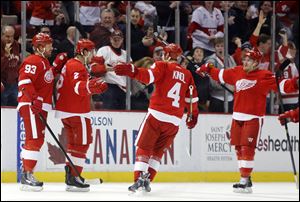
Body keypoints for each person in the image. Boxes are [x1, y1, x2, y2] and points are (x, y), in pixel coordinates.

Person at [196, 50, 298, 193]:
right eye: (244, 59)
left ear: (256, 63)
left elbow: (283, 86)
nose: (245, 62)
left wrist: (295, 82)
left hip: (253, 118)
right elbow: (221, 75)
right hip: (237, 116)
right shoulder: (237, 71)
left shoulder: (264, 76)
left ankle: (243, 180)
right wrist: (208, 68)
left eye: (249, 60)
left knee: (247, 148)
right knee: (238, 148)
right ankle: (246, 178)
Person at [114, 43, 199, 192]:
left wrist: (132, 70)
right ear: (178, 58)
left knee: (144, 146)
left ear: (166, 55)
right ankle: (148, 180)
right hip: (174, 121)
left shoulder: (162, 66)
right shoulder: (187, 74)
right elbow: (192, 99)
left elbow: (147, 77)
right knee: (158, 151)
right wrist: (193, 115)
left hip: (157, 115)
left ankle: (139, 178)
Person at [55, 39, 108, 192]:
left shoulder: (72, 64)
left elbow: (76, 84)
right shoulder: (76, 66)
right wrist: (93, 86)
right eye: (90, 51)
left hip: (67, 110)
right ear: (84, 52)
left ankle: (71, 175)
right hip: (76, 110)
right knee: (83, 142)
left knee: (74, 143)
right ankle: (74, 176)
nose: (92, 55)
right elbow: (79, 88)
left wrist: (91, 82)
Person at [17, 33, 68, 191]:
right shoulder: (32, 60)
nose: (51, 47)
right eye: (47, 44)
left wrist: (55, 67)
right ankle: (27, 175)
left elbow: (44, 80)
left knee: (37, 140)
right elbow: (24, 81)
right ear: (39, 47)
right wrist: (34, 99)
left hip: (39, 105)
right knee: (34, 139)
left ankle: (27, 174)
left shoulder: (43, 62)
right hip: (31, 104)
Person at [95, 30, 129, 110]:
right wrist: (110, 68)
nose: (116, 41)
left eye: (118, 39)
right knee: (109, 110)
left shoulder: (126, 54)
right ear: (110, 39)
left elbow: (130, 72)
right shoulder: (104, 50)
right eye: (114, 39)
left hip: (123, 88)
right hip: (108, 86)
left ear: (122, 40)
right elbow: (95, 68)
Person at [1, 25, 21, 106]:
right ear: (2, 35)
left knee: (15, 109)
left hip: (14, 83)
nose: (9, 39)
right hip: (2, 83)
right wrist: (6, 56)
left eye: (12, 36)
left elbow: (17, 62)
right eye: (7, 36)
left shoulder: (15, 45)